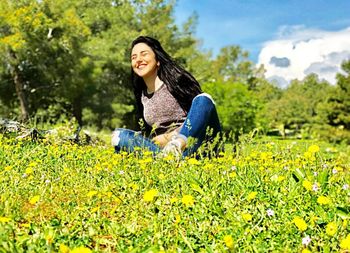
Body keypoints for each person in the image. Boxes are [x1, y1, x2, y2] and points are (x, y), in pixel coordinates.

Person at [112, 36, 222, 158]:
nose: (138, 59)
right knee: (119, 136)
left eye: (144, 54)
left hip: (194, 144)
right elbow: (147, 133)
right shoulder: (141, 95)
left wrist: (171, 137)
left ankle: (176, 149)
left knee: (204, 99)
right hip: (164, 151)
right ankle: (167, 161)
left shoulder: (177, 82)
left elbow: (200, 116)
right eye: (134, 57)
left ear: (157, 60)